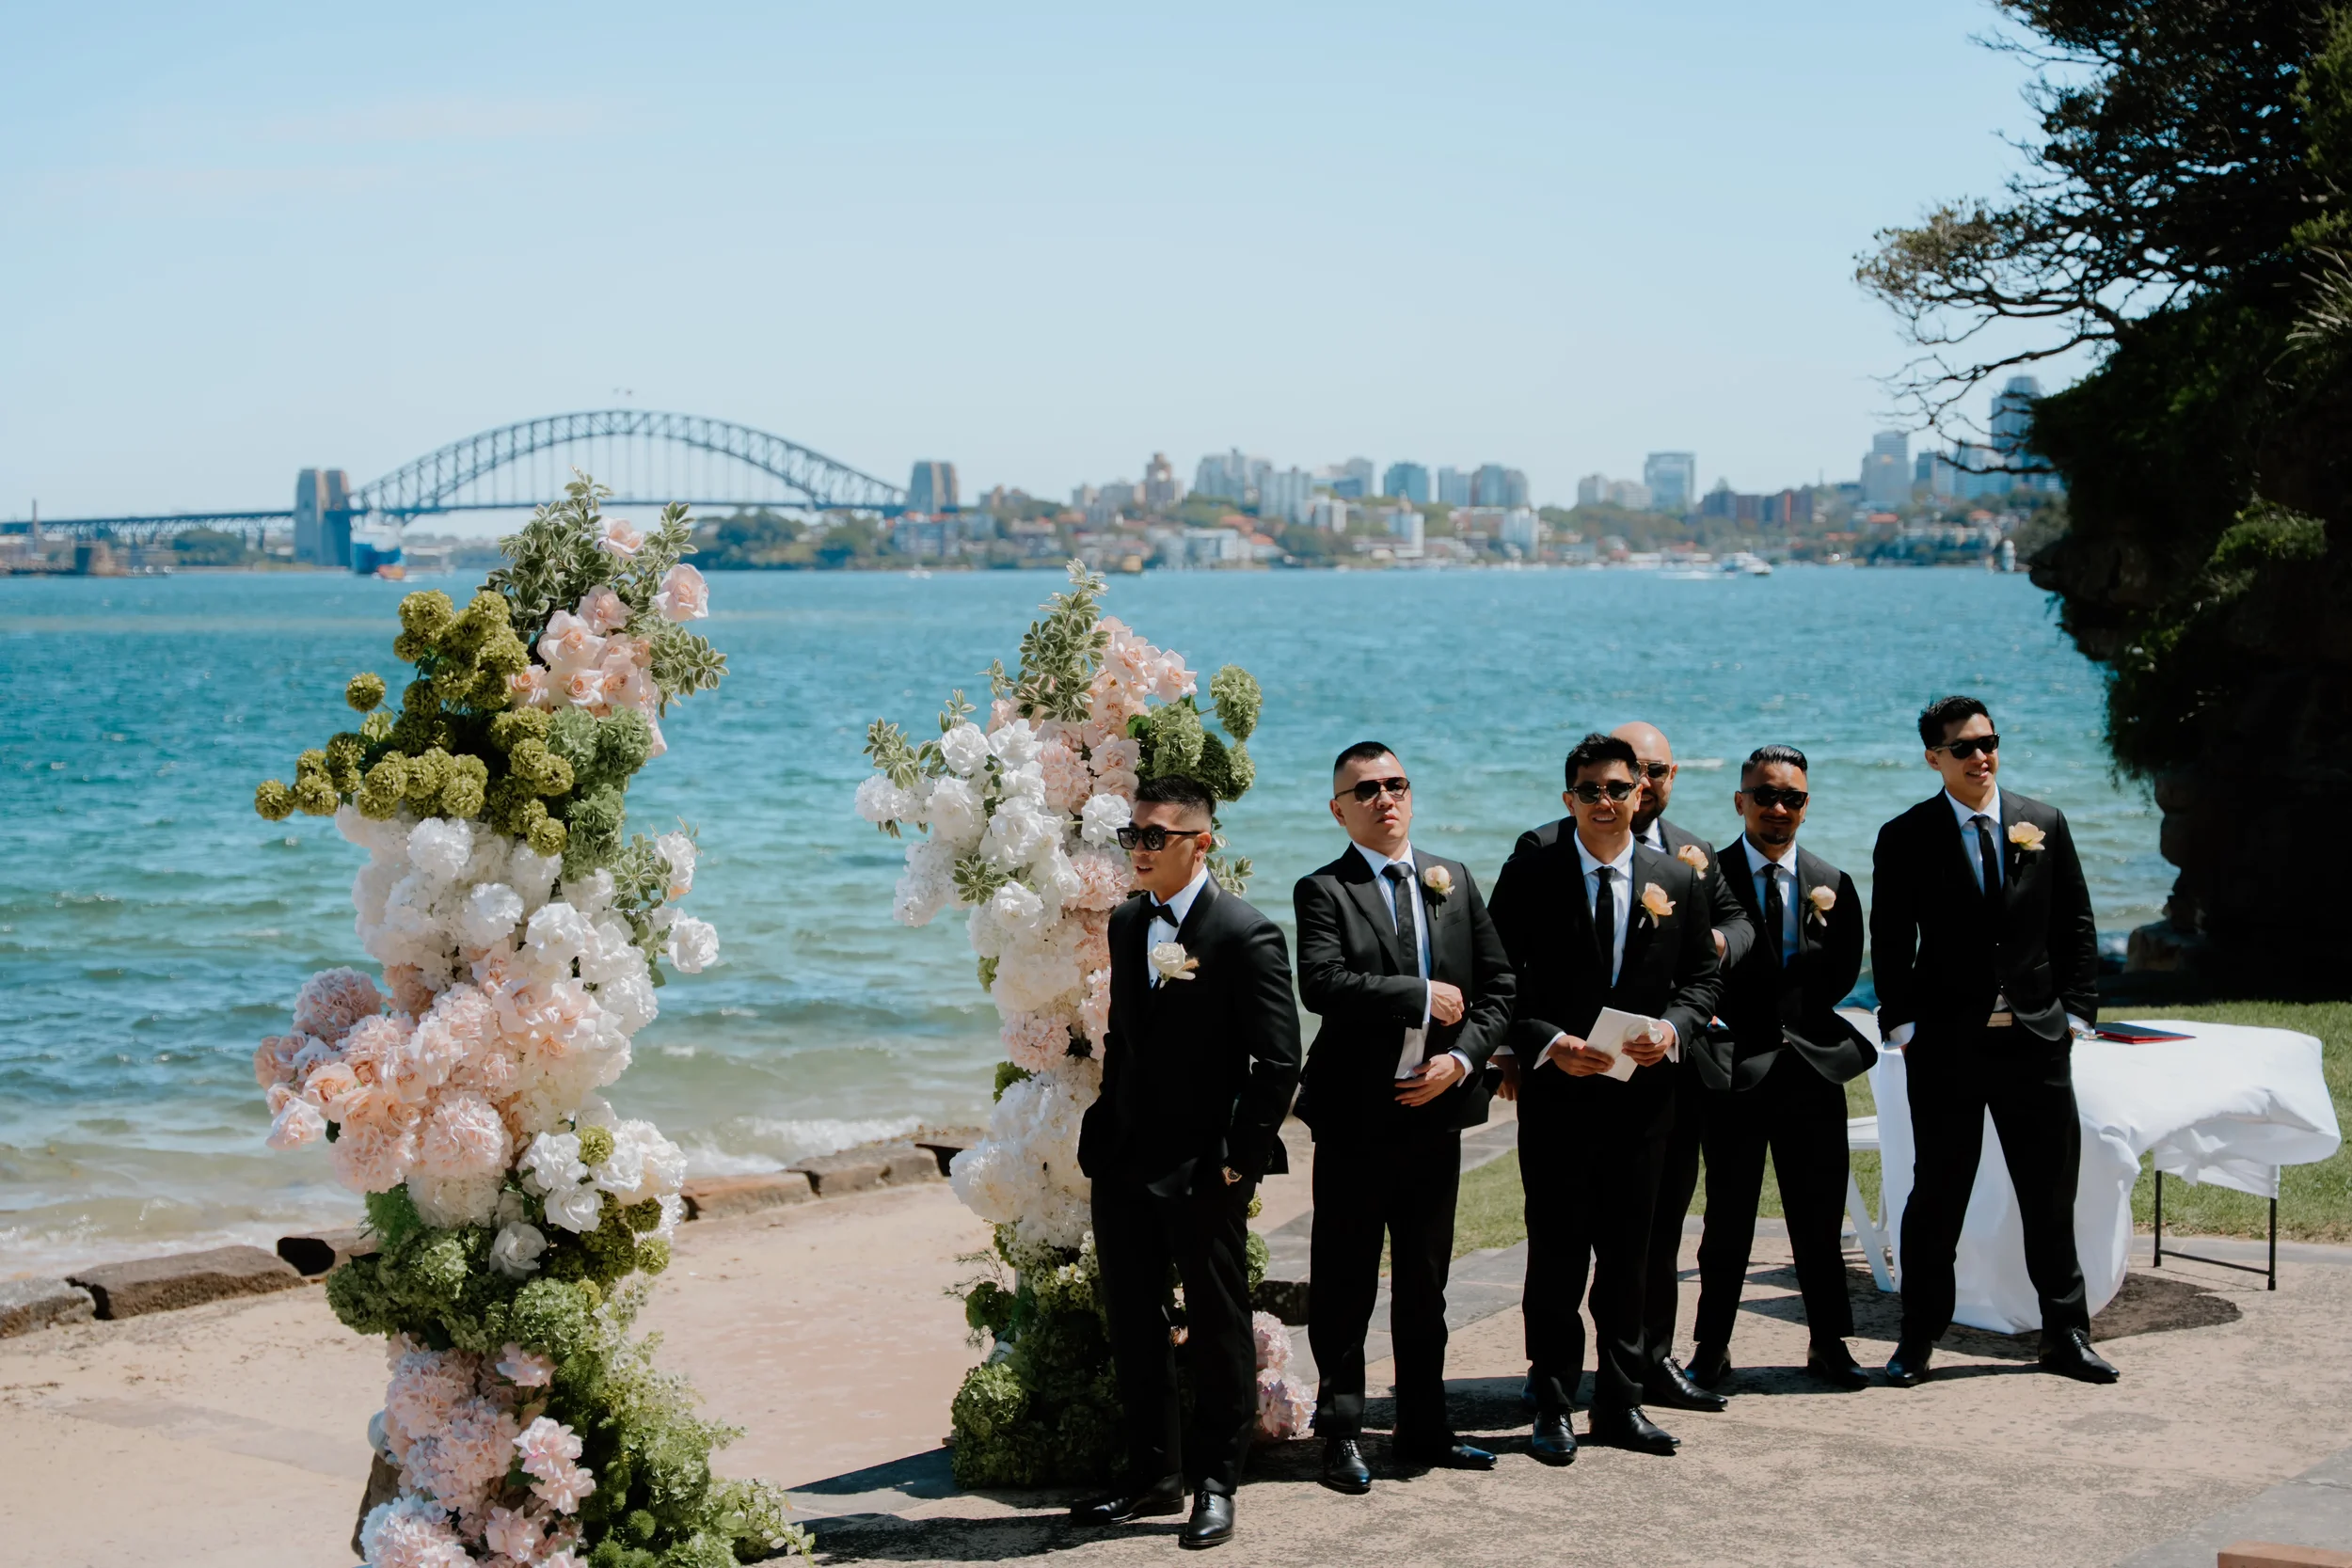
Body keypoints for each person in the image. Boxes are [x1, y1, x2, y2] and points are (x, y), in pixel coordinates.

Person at [1072, 773, 1304, 1548]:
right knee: (1133, 1320)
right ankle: (1152, 1477)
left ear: (1200, 841)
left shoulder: (1245, 933)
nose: (1138, 848)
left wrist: (1238, 1161)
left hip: (1206, 1167)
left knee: (1217, 1324)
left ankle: (1216, 1481)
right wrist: (1106, 1122)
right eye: (1131, 834)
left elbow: (1278, 1060)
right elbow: (1122, 1036)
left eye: (1154, 836)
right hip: (1126, 1159)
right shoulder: (1127, 920)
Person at [1487, 733, 1722, 1464]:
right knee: (1556, 1255)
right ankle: (1553, 1402)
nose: (1605, 801)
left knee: (1632, 1257)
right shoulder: (1530, 873)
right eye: (1590, 790)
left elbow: (1702, 982)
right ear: (1570, 799)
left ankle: (1620, 1404)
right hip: (1559, 1097)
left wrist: (1670, 1028)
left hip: (1645, 1102)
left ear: (1641, 794)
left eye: (1619, 788)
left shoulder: (1675, 880)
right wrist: (1549, 1043)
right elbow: (1500, 983)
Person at [1871, 695, 2114, 1388]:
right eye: (1964, 747)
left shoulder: (2044, 821)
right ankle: (1917, 1337)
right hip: (1947, 1045)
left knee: (2048, 1194)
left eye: (1989, 741)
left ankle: (2066, 1334)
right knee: (1937, 1197)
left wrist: (2075, 1017)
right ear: (1934, 758)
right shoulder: (1906, 834)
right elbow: (1889, 941)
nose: (1982, 756)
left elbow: (2076, 926)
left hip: (2036, 1040)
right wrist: (1905, 1025)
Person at [1293, 742, 1517, 1494]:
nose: (1384, 797)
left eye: (1395, 784)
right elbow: (1322, 982)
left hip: (1434, 1112)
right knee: (1345, 1282)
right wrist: (1419, 994)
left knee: (1426, 1282)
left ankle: (1425, 1427)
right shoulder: (1323, 888)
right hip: (1357, 1116)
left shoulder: (1450, 878)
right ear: (1339, 809)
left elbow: (1499, 987)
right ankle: (1342, 1433)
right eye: (1365, 790)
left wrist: (1463, 1061)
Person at [1687, 745, 1875, 1392]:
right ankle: (1711, 1347)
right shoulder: (1705, 874)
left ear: (1806, 805)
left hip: (1813, 1069)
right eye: (1764, 795)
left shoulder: (1832, 880)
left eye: (1791, 797)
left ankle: (1830, 1343)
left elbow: (1845, 968)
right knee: (1728, 1214)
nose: (1777, 808)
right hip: (1733, 1067)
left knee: (1818, 1216)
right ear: (1740, 800)